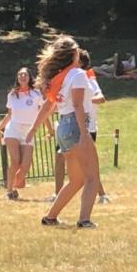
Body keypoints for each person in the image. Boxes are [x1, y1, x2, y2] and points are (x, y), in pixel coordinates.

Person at [27, 36, 100, 229]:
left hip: (63, 128)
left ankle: (50, 217)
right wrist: (85, 135)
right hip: (76, 125)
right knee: (92, 177)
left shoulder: (59, 78)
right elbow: (77, 105)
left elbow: (49, 105)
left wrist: (33, 129)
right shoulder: (78, 74)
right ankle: (84, 219)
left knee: (76, 180)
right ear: (74, 54)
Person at [0, 67, 51, 200]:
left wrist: (50, 130)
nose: (22, 77)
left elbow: (43, 114)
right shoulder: (13, 94)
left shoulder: (36, 94)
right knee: (15, 161)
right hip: (13, 129)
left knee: (25, 165)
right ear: (17, 78)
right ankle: (9, 191)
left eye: (25, 75)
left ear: (29, 77)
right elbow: (9, 115)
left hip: (29, 131)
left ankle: (15, 184)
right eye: (20, 75)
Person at [79, 50, 110, 204]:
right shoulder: (69, 78)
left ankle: (101, 194)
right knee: (65, 160)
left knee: (90, 163)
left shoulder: (89, 77)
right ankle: (58, 193)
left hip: (88, 126)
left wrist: (88, 99)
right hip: (73, 124)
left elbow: (101, 97)